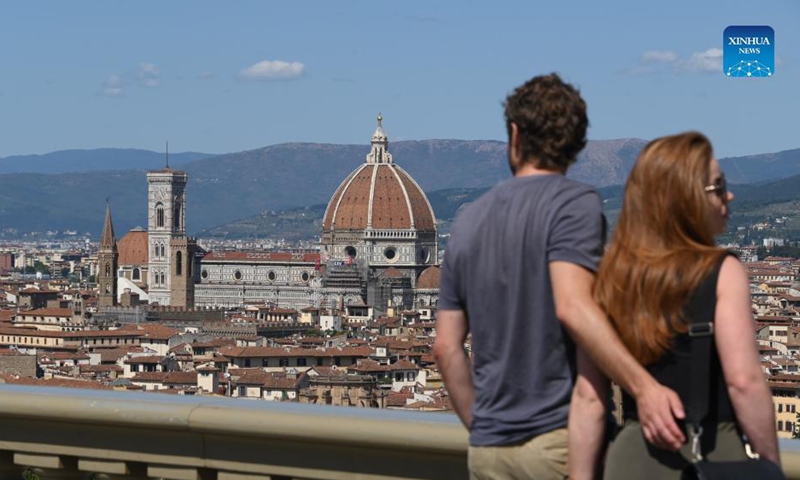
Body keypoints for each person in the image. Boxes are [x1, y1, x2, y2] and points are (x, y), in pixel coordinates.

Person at [433, 73, 687, 480]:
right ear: (577, 143)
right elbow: (572, 307)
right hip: (556, 441)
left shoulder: (468, 220)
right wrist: (644, 388)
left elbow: (446, 348)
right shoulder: (575, 204)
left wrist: (482, 430)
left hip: (487, 450)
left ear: (514, 135)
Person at [568, 131, 780, 480]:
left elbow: (589, 398)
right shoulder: (722, 272)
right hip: (711, 454)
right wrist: (770, 465)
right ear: (685, 200)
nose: (730, 195)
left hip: (630, 461)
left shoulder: (611, 277)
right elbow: (744, 382)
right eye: (717, 187)